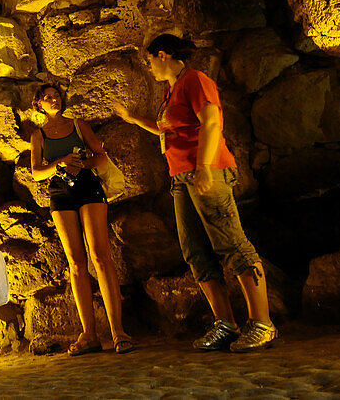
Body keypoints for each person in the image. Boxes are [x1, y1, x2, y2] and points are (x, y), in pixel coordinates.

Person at [113, 34, 277, 352]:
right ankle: (225, 324)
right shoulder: (172, 90)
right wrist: (132, 118)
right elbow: (168, 127)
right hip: (181, 175)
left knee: (231, 243)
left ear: (162, 54)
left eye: (149, 61)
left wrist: (203, 165)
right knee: (194, 251)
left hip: (208, 170)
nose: (149, 67)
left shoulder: (195, 80)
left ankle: (262, 323)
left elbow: (212, 122)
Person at [30, 83, 134, 356]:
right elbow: (36, 172)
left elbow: (101, 157)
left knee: (100, 257)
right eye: (47, 97)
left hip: (88, 189)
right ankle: (89, 333)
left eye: (56, 95)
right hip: (60, 196)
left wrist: (82, 164)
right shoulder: (38, 136)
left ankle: (117, 331)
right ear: (39, 104)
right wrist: (60, 163)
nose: (54, 99)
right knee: (76, 263)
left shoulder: (78, 125)